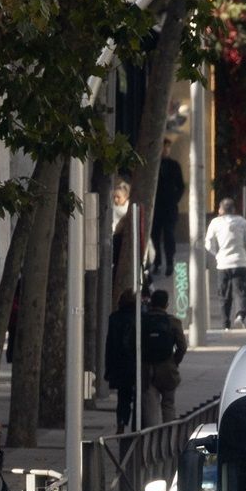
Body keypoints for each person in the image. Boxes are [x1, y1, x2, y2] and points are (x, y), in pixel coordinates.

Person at [141, 289, 188, 424]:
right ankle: (168, 437)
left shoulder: (142, 321)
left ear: (151, 303)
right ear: (166, 305)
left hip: (147, 369)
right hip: (168, 369)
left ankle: (152, 439)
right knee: (168, 404)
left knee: (150, 409)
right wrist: (174, 361)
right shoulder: (173, 322)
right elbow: (182, 347)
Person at [203, 198, 246, 329]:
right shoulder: (242, 222)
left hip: (223, 263)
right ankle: (240, 316)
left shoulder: (215, 223)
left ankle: (226, 323)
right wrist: (243, 254)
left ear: (221, 210)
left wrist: (217, 254)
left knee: (224, 294)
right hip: (240, 262)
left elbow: (208, 243)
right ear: (234, 210)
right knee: (241, 291)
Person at [104, 288, 140, 431]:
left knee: (123, 397)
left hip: (119, 363)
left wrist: (109, 368)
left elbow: (110, 344)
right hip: (136, 363)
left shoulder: (114, 318)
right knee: (138, 396)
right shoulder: (139, 317)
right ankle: (136, 426)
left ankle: (121, 421)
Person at [110, 179, 152, 297]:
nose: (116, 200)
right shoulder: (111, 211)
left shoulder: (130, 213)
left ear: (126, 197)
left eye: (118, 197)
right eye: (114, 197)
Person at [151, 155, 186, 279]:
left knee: (169, 235)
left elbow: (181, 185)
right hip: (155, 207)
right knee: (154, 236)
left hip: (169, 207)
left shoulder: (174, 165)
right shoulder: (153, 162)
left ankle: (170, 262)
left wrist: (175, 199)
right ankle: (157, 262)